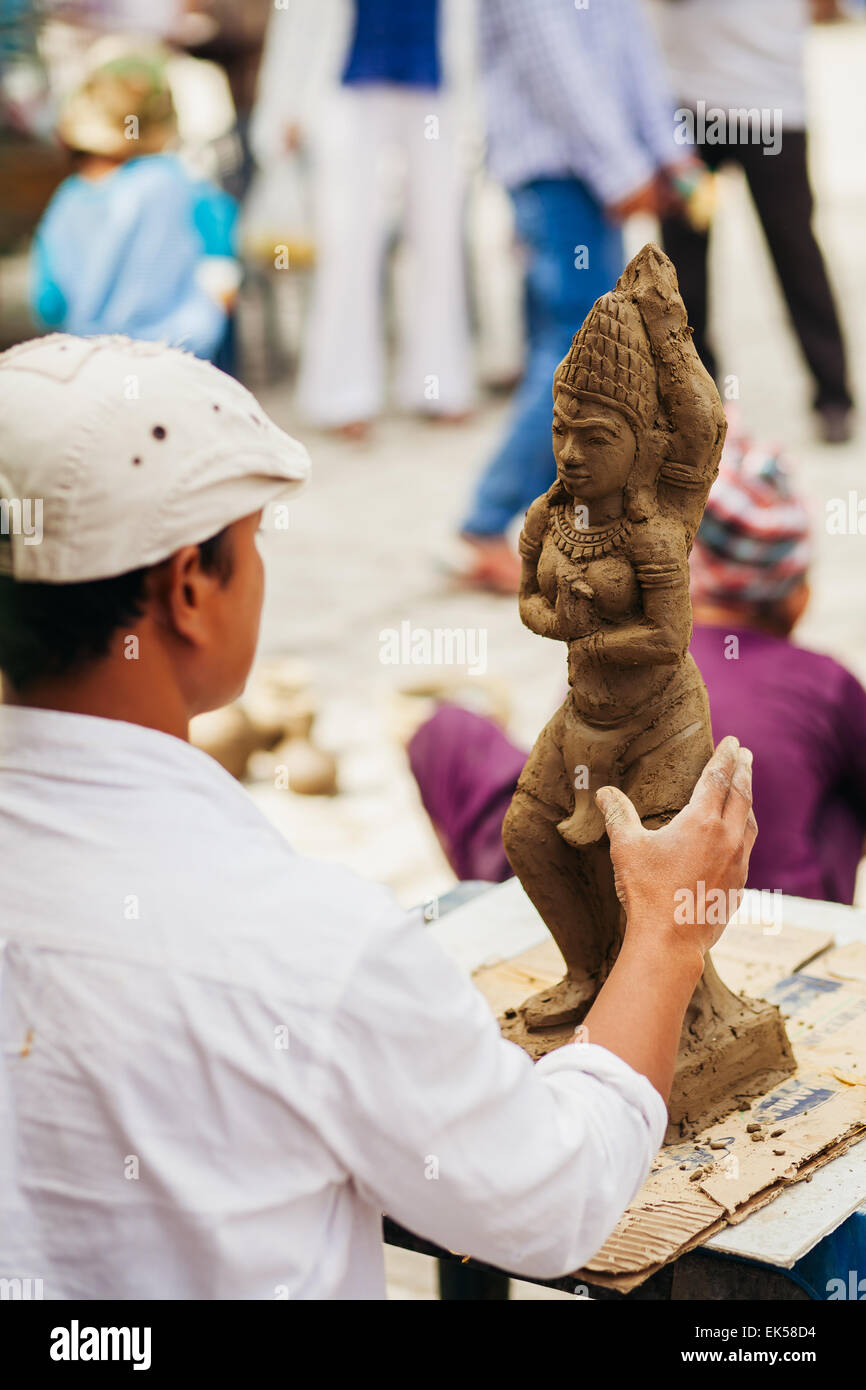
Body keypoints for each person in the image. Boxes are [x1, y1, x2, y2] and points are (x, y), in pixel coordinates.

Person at [0, 333, 754, 1299]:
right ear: (191, 589)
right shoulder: (307, 949)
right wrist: (665, 935)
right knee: (535, 830)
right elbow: (554, 1200)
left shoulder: (642, 532)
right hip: (595, 757)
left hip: (640, 722)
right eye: (251, 545)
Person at [412, 421, 866, 903]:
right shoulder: (826, 683)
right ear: (799, 599)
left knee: (451, 733)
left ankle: (494, 914)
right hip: (761, 925)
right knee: (836, 786)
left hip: (587, 917)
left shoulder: (609, 656)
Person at [456, 0, 692, 593]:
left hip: (590, 173)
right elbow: (556, 71)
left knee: (579, 349)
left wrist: (669, 153)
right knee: (576, 355)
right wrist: (622, 168)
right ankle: (485, 523)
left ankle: (544, 526)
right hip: (556, 172)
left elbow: (631, 51)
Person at [252, 0, 474, 435]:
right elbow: (296, 17)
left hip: (435, 80)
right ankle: (342, 394)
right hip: (347, 81)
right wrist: (283, 106)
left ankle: (439, 384)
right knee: (347, 240)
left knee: (439, 239)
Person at [652, 0, 854, 443]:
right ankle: (693, 399)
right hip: (689, 103)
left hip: (773, 104)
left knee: (795, 250)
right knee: (680, 265)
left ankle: (833, 395)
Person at [31, 53, 240, 364]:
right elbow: (223, 269)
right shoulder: (177, 182)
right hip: (182, 365)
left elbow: (48, 304)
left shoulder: (67, 199)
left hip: (92, 369)